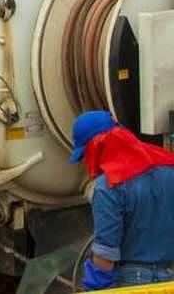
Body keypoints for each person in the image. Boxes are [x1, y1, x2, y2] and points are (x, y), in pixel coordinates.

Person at [69, 110, 174, 290]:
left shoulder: (109, 188)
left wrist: (95, 289)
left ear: (96, 147)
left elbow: (105, 256)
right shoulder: (168, 170)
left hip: (132, 282)